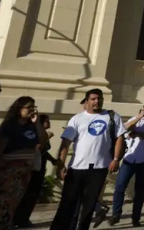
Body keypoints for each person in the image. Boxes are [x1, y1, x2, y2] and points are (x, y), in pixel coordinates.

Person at [50, 89, 124, 230]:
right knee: (69, 203)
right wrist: (61, 165)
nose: (97, 101)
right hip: (77, 168)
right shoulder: (77, 119)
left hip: (99, 168)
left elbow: (120, 138)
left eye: (99, 98)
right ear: (86, 101)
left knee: (89, 205)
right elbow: (65, 143)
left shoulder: (112, 117)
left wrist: (115, 159)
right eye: (93, 99)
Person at [0, 96, 48, 229]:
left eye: (34, 107)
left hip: (25, 173)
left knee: (15, 202)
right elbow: (0, 148)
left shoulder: (32, 127)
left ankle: (8, 223)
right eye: (29, 107)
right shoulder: (10, 127)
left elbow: (43, 142)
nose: (32, 110)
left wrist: (37, 123)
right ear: (19, 109)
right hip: (10, 171)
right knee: (4, 202)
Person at [110, 100, 144, 226]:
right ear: (143, 108)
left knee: (139, 189)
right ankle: (116, 214)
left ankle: (136, 218)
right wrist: (139, 117)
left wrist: (137, 133)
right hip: (129, 158)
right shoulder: (135, 119)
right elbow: (124, 129)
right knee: (119, 187)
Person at [13, 113, 56, 228]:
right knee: (27, 193)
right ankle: (19, 218)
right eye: (47, 120)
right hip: (31, 168)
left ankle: (25, 218)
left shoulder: (44, 134)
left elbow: (44, 152)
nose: (49, 122)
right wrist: (47, 138)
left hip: (40, 166)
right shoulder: (37, 134)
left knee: (34, 193)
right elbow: (37, 148)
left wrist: (53, 160)